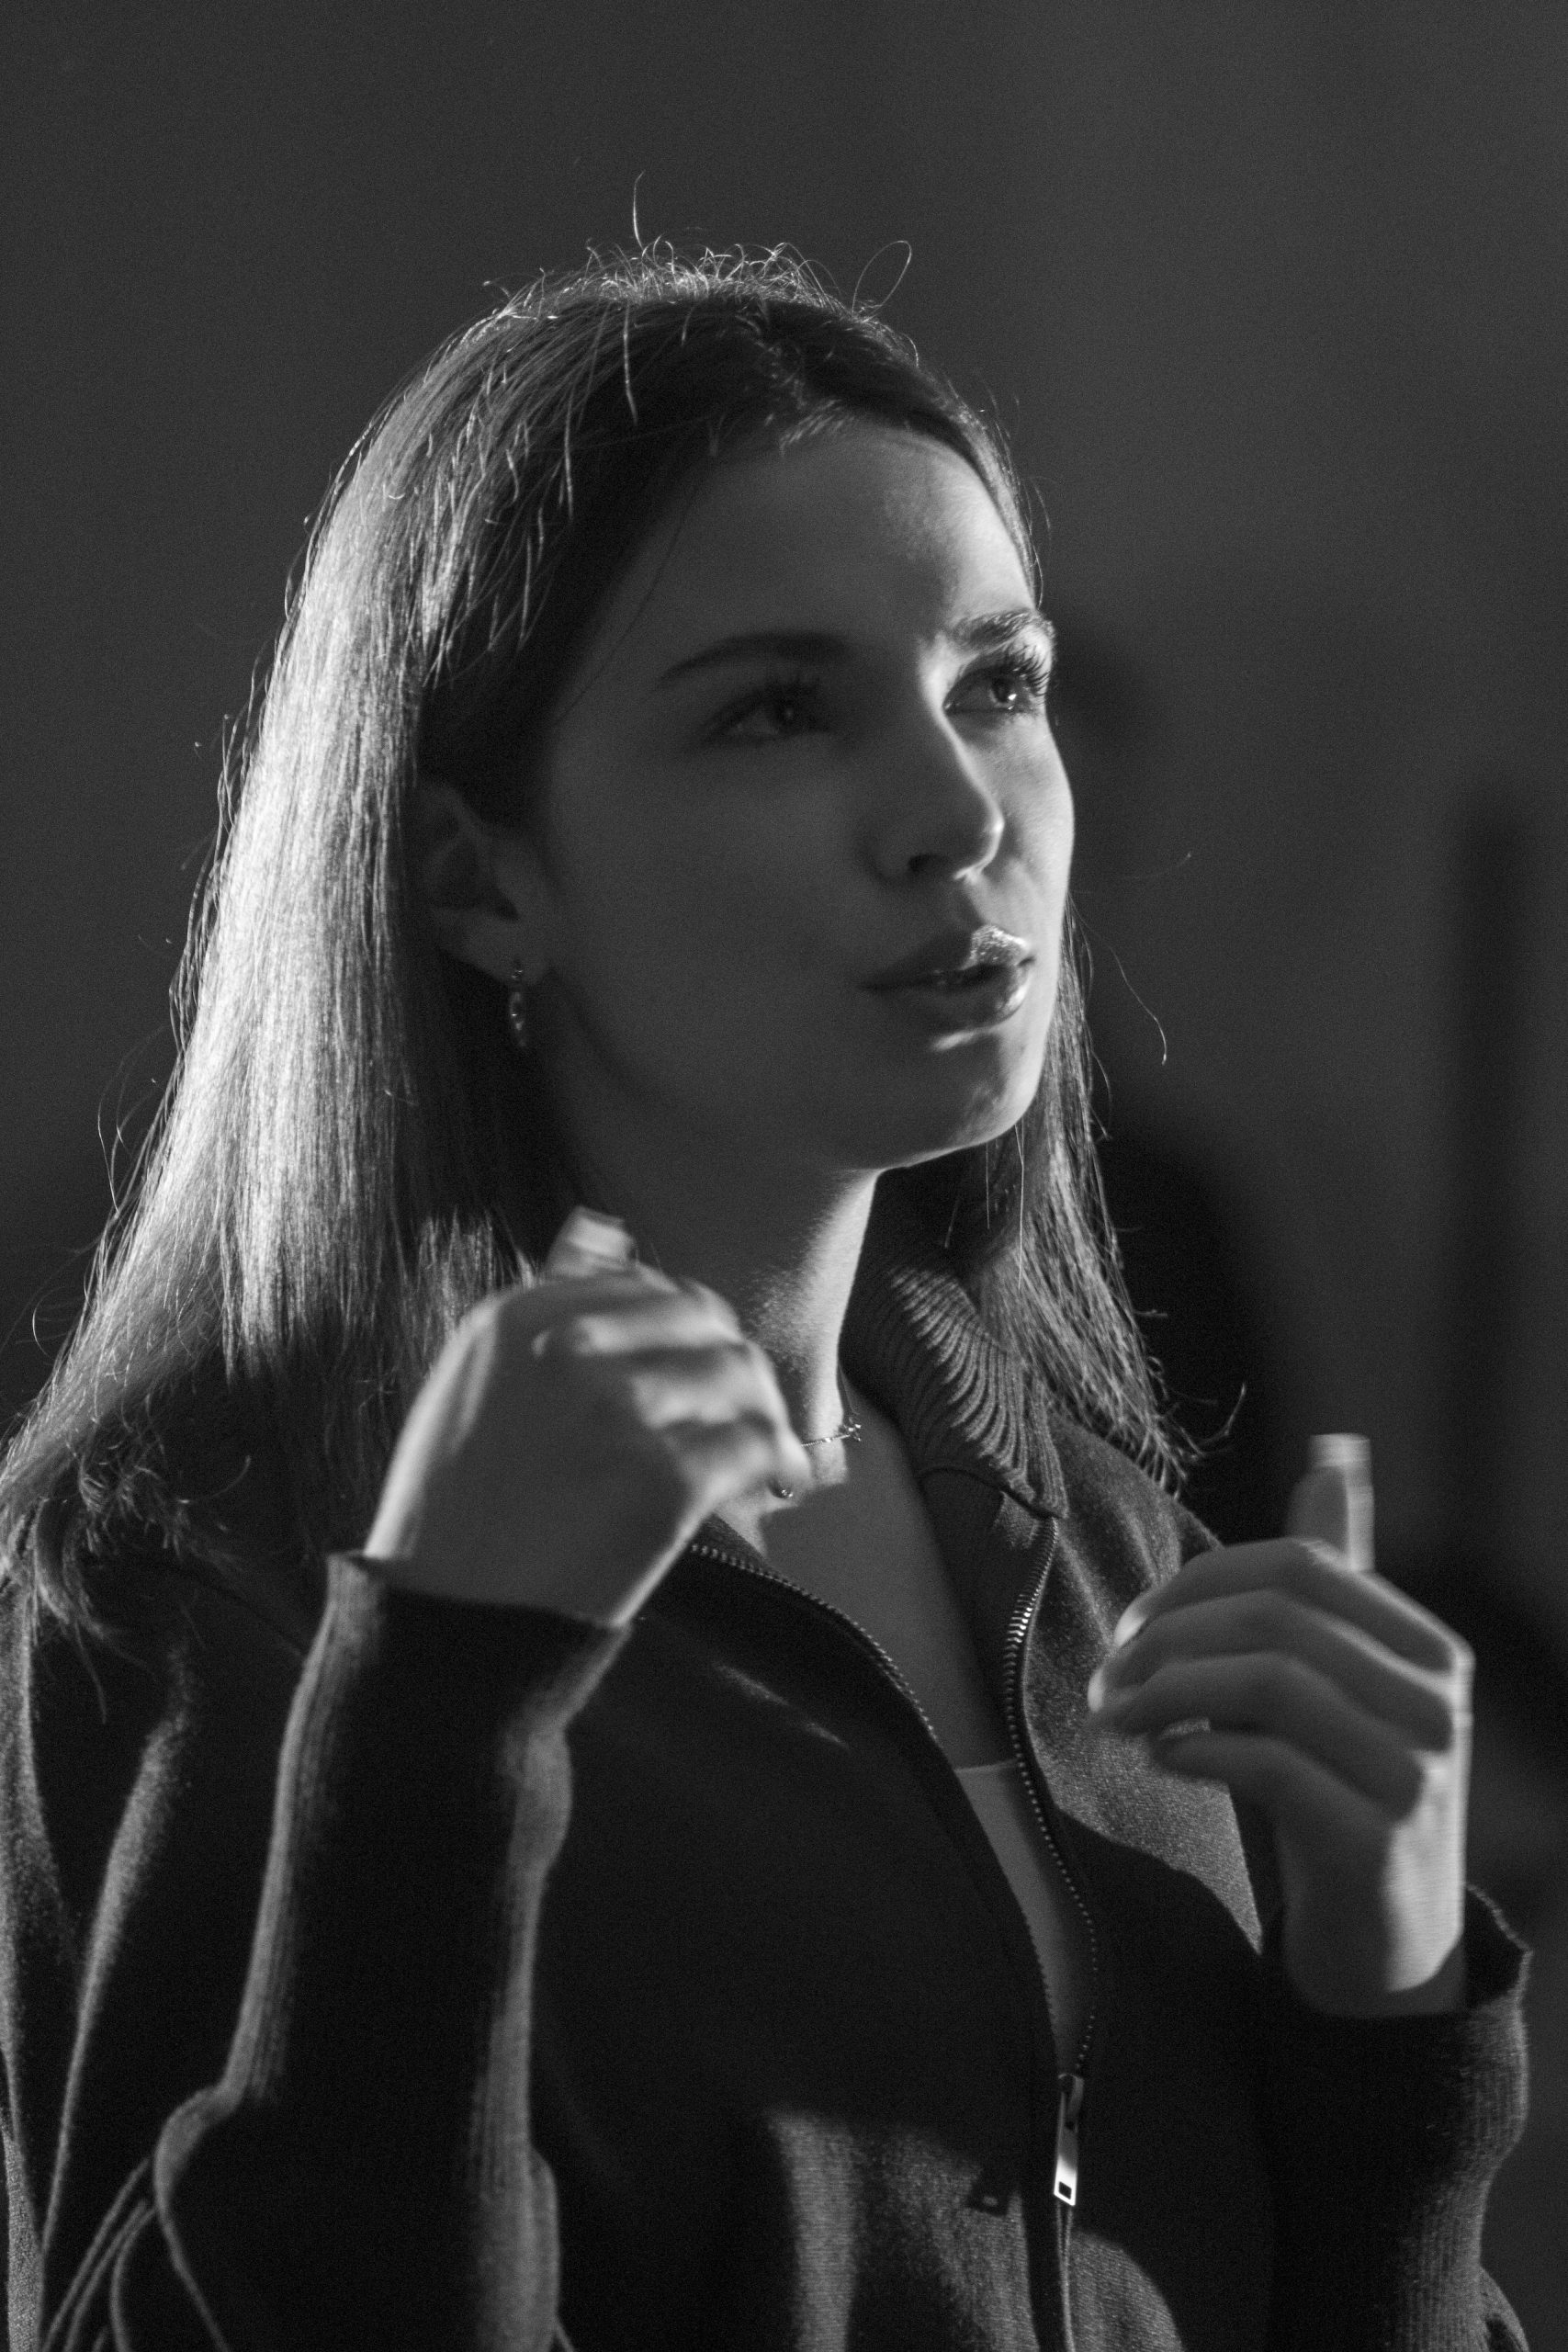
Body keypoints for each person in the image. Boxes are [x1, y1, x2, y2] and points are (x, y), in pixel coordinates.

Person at [0, 250, 1528, 2350]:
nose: (958, 814)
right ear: (474, 875)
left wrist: (1388, 2032)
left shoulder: (1095, 1540)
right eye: (777, 710)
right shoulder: (201, 1572)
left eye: (996, 682)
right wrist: (439, 1708)